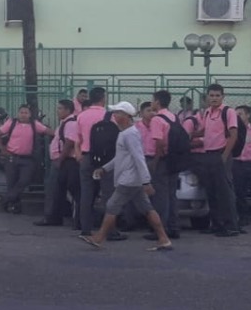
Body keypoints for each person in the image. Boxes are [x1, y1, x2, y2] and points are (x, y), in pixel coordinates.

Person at [80, 101, 173, 251]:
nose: (114, 115)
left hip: (129, 179)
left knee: (112, 205)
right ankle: (163, 238)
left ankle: (99, 237)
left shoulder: (129, 134)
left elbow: (138, 158)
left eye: (117, 113)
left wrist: (146, 181)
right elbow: (122, 157)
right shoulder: (127, 133)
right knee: (147, 208)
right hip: (132, 179)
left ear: (126, 116)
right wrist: (105, 168)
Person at [191, 83, 242, 237]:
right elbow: (204, 131)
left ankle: (231, 226)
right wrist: (188, 134)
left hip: (221, 154)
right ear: (207, 97)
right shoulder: (207, 112)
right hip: (208, 154)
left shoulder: (228, 112)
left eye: (217, 95)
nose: (214, 98)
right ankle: (217, 224)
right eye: (211, 95)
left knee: (225, 192)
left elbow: (234, 135)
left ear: (223, 96)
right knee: (212, 191)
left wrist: (225, 155)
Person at [73, 87, 124, 239]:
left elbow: (78, 138)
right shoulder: (110, 116)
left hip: (87, 157)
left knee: (86, 193)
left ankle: (85, 228)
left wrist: (79, 154)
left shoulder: (81, 116)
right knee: (109, 194)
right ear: (103, 98)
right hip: (106, 159)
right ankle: (110, 230)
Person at [0, 104, 50, 214]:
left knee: (24, 181)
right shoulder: (12, 123)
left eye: (26, 113)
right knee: (11, 183)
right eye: (21, 112)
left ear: (30, 115)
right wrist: (2, 149)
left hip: (28, 159)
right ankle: (14, 206)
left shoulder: (35, 125)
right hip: (11, 157)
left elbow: (48, 131)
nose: (23, 115)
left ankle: (6, 200)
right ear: (18, 113)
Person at [37, 99, 79, 227]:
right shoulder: (64, 123)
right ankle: (54, 216)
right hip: (62, 159)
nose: (58, 111)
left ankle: (52, 217)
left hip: (65, 160)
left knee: (54, 189)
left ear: (67, 110)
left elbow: (69, 142)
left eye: (60, 108)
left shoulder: (70, 123)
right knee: (56, 190)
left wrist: (60, 159)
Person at [147, 90, 182, 240]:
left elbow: (159, 142)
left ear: (157, 102)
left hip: (162, 160)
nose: (151, 103)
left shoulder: (157, 119)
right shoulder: (173, 117)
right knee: (172, 194)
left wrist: (154, 162)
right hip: (174, 160)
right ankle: (173, 227)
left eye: (153, 100)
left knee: (160, 196)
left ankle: (161, 230)